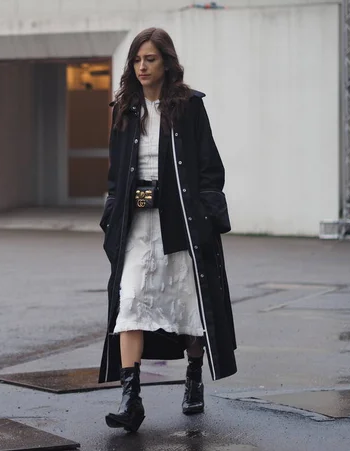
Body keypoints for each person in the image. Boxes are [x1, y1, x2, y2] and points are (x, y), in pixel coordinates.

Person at [98, 27, 238, 433]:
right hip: (137, 225)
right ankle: (131, 399)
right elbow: (113, 174)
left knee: (187, 305)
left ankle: (193, 377)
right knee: (130, 303)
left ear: (167, 63)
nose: (142, 66)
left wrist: (208, 216)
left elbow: (210, 168)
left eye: (150, 59)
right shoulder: (125, 108)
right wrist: (113, 212)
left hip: (182, 225)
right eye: (137, 60)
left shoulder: (189, 107)